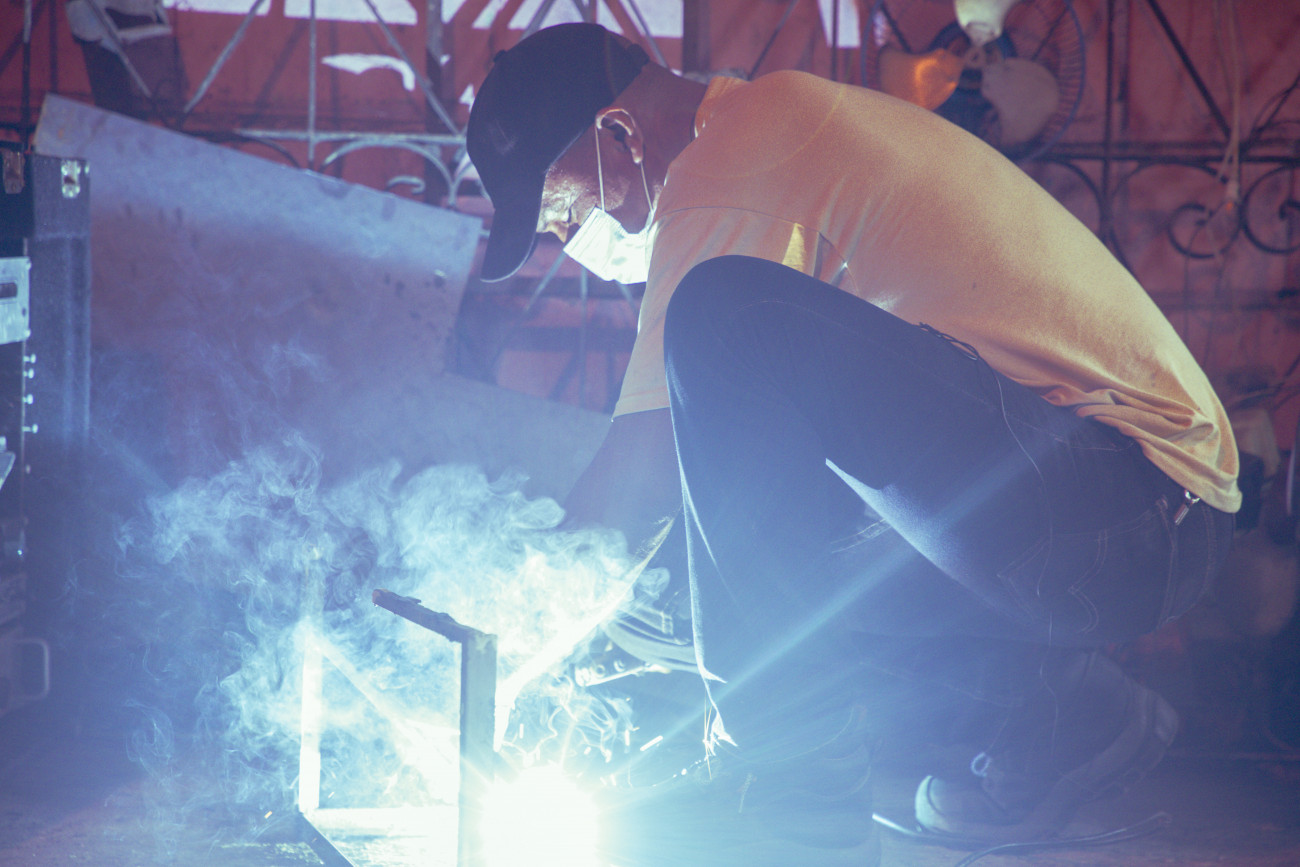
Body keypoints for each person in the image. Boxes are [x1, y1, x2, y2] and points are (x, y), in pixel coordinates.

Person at [466, 22, 1239, 866]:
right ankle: (1066, 717)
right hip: (1141, 525)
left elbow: (641, 475)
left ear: (619, 133)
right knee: (749, 557)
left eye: (568, 210)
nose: (575, 238)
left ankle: (802, 813)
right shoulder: (772, 145)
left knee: (722, 317)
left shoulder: (733, 153)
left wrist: (505, 643)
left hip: (1127, 502)